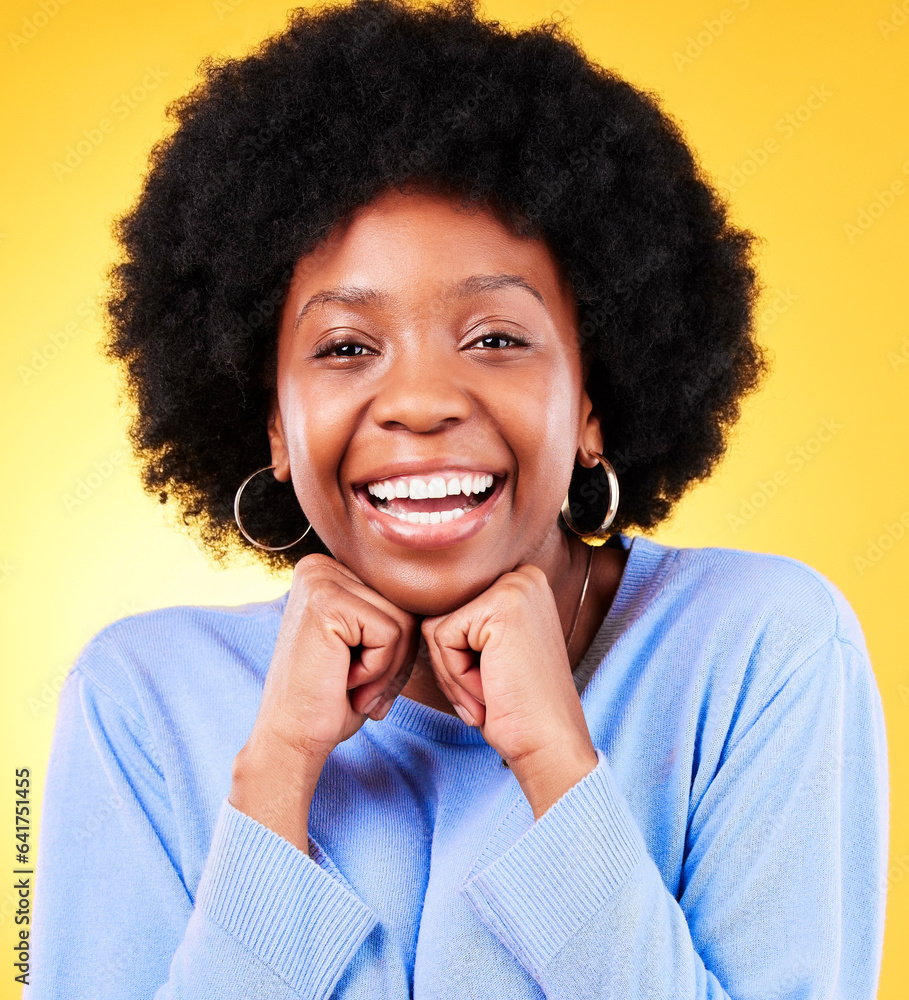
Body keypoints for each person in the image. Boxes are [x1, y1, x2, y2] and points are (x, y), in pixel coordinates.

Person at [28, 0, 888, 997]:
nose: (424, 403)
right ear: (272, 419)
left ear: (592, 398)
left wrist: (559, 767)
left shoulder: (760, 653)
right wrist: (274, 783)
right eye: (347, 346)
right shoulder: (138, 701)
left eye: (495, 337)